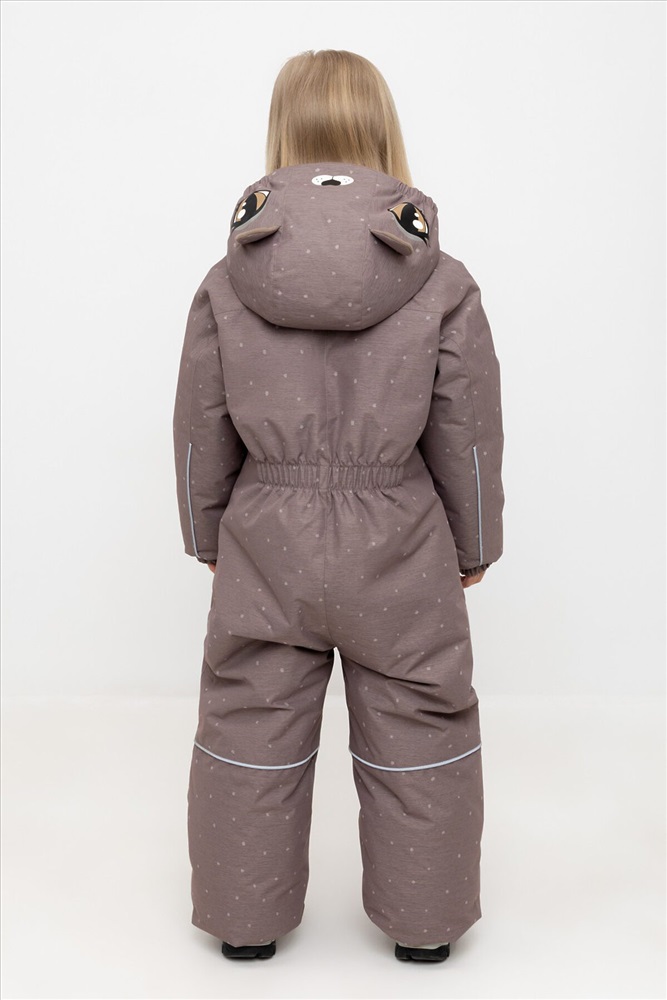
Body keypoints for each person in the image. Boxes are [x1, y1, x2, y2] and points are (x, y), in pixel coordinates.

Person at [172, 48, 505, 964]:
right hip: (397, 539)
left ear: (281, 133)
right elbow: (467, 428)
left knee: (248, 721)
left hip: (266, 537)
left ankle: (244, 927)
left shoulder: (229, 278)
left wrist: (206, 530)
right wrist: (472, 542)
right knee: (420, 721)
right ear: (382, 133)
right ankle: (425, 932)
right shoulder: (440, 279)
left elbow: (200, 423)